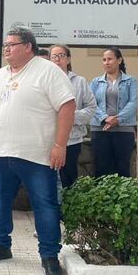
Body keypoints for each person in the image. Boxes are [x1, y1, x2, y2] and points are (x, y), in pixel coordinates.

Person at [0, 27, 76, 275]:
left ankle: (49, 255)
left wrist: (60, 145)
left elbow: (67, 105)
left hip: (37, 155)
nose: (6, 49)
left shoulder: (48, 71)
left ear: (28, 46)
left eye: (11, 44)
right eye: (5, 45)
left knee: (45, 204)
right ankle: (0, 245)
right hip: (0, 153)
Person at [49, 45, 96, 189]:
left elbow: (91, 107)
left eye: (61, 55)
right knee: (48, 179)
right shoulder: (44, 80)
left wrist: (69, 117)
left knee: (68, 179)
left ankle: (68, 203)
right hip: (48, 138)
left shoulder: (79, 81)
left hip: (72, 139)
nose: (58, 59)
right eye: (54, 56)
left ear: (68, 59)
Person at [89, 47, 138, 177]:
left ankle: (123, 192)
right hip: (100, 129)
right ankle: (102, 191)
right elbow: (90, 103)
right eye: (104, 60)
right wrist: (105, 118)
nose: (106, 62)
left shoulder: (131, 81)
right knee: (101, 168)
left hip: (124, 129)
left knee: (122, 168)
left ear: (119, 60)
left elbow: (133, 103)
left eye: (110, 59)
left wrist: (118, 119)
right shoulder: (95, 82)